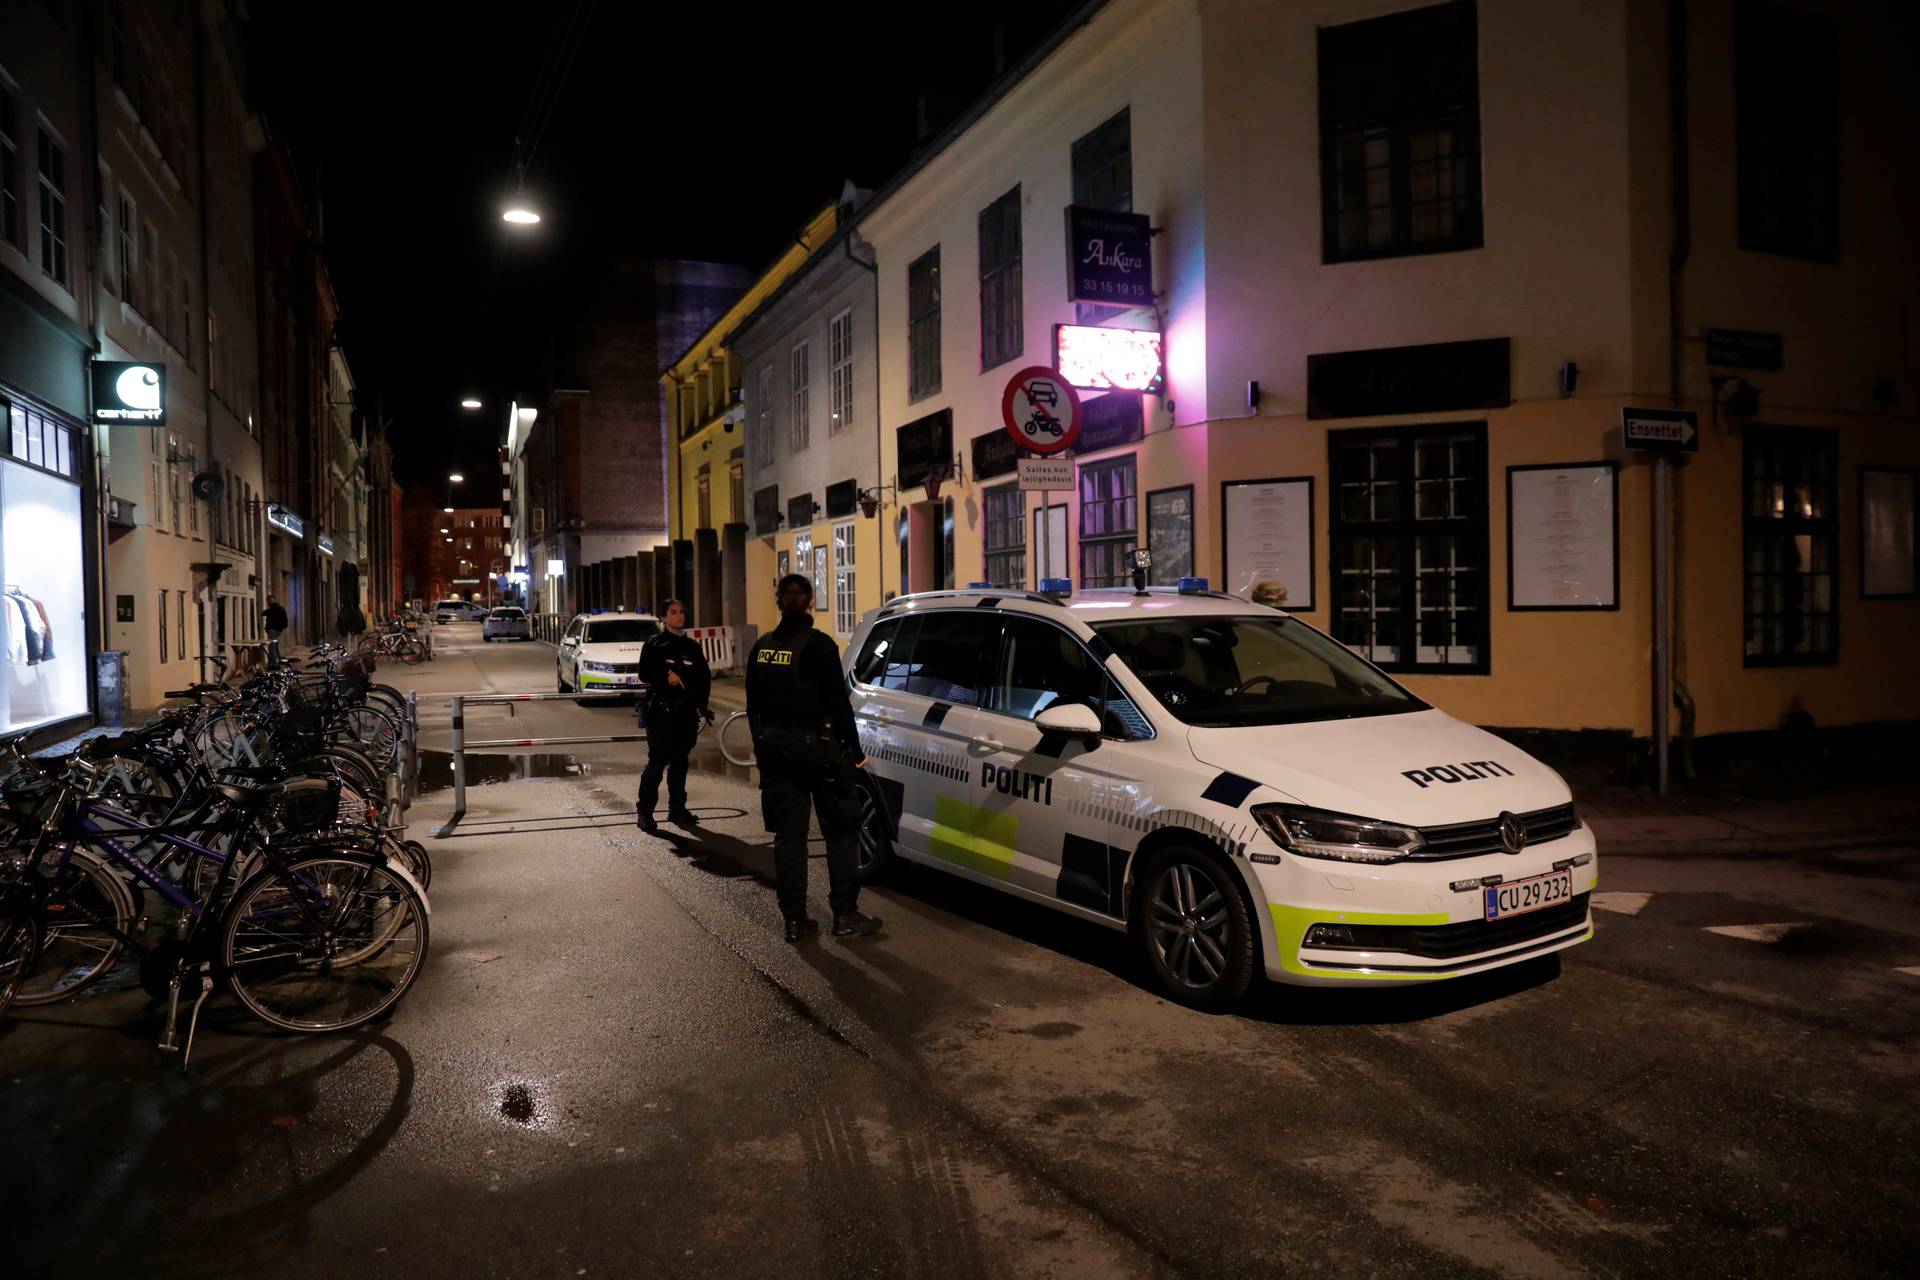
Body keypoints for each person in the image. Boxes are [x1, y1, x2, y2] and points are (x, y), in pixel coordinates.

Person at [746, 574, 882, 943]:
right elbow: (839, 706)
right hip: (819, 753)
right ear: (811, 601)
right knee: (841, 830)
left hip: (776, 753)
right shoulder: (820, 646)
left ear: (778, 602)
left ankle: (794, 920)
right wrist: (855, 754)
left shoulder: (761, 648)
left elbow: (752, 709)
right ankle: (845, 914)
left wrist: (762, 752)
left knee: (789, 838)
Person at [635, 598, 712, 834]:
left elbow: (703, 678)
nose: (679, 616)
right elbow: (644, 673)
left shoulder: (692, 647)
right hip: (661, 713)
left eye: (681, 612)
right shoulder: (655, 644)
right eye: (673, 612)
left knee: (680, 762)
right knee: (657, 764)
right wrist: (664, 677)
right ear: (664, 617)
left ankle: (677, 808)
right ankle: (645, 812)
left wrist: (702, 705)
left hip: (686, 713)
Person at [263, 595, 289, 667]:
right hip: (278, 630)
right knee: (275, 646)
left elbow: (266, 614)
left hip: (273, 630)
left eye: (268, 601)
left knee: (272, 647)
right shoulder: (279, 608)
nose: (268, 603)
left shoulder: (274, 609)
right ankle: (278, 661)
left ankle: (274, 664)